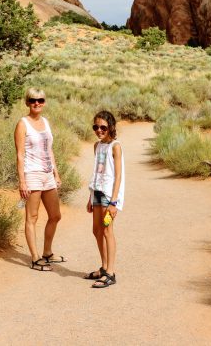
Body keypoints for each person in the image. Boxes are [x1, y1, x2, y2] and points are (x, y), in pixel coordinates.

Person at [14, 87, 64, 271]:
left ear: (44, 102)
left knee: (55, 215)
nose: (37, 103)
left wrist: (56, 173)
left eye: (40, 100)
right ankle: (35, 259)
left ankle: (47, 252)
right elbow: (20, 154)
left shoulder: (45, 122)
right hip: (32, 174)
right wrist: (22, 181)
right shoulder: (23, 124)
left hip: (47, 174)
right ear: (27, 102)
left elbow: (49, 150)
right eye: (33, 100)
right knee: (32, 217)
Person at [84, 110, 125, 288]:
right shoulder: (97, 146)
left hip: (109, 196)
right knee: (96, 230)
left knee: (107, 231)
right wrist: (90, 196)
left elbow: (118, 176)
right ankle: (103, 267)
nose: (99, 130)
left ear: (111, 127)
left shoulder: (115, 146)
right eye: (96, 127)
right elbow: (97, 172)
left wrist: (114, 202)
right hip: (97, 193)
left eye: (103, 127)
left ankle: (111, 272)